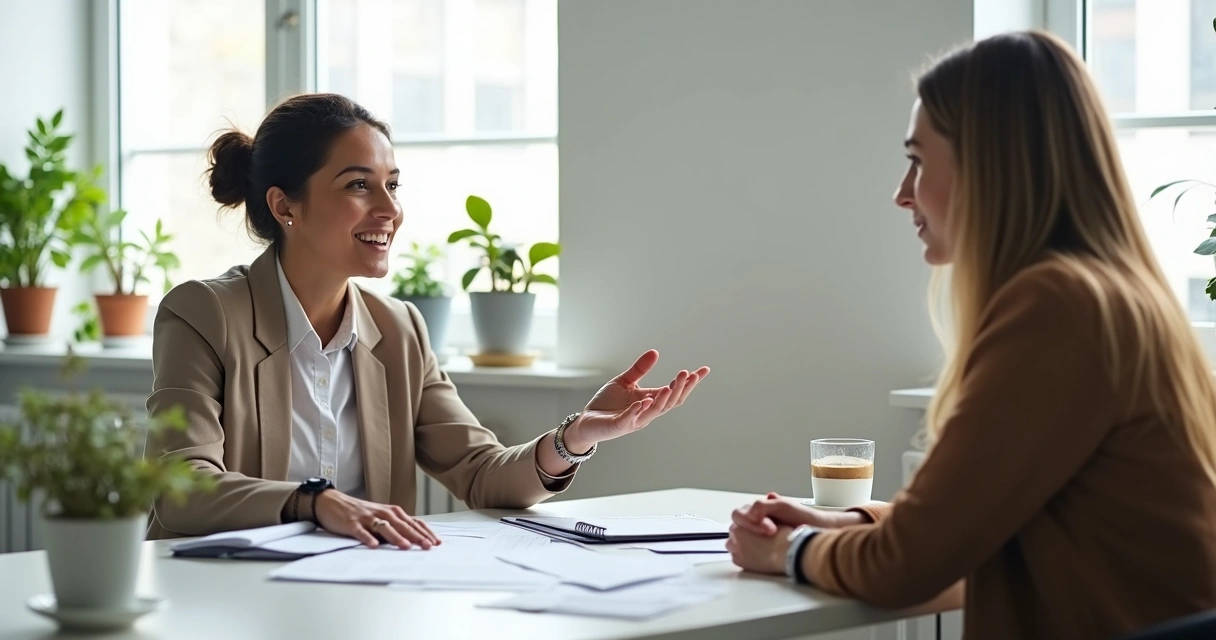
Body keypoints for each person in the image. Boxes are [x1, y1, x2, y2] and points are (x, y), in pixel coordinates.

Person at [726, 30, 1216, 639]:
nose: (901, 194)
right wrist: (842, 522)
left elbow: (905, 566)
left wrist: (788, 551)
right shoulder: (1115, 295)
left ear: (991, 165)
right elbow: (974, 524)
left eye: (918, 160)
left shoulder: (1057, 307)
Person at [144, 93, 710, 549]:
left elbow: (480, 471)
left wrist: (575, 436)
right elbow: (180, 488)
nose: (390, 210)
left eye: (392, 185)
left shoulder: (399, 329)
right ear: (285, 205)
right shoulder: (205, 313)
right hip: (224, 594)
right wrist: (312, 502)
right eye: (358, 185)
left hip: (358, 589)